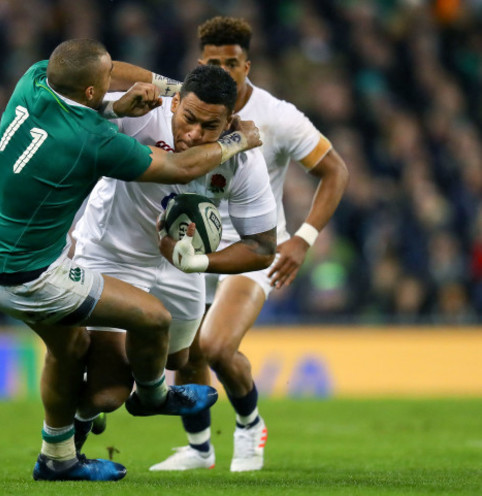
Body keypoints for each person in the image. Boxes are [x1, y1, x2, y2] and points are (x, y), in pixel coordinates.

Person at [0, 38, 263, 482]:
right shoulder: (93, 142)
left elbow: (100, 78)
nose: (118, 83)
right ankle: (155, 396)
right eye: (105, 83)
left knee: (70, 351)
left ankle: (58, 458)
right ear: (89, 93)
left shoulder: (33, 81)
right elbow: (181, 169)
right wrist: (238, 139)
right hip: (31, 276)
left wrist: (142, 99)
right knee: (152, 318)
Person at [145, 16, 350, 473]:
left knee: (216, 346)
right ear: (202, 63)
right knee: (185, 353)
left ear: (247, 63)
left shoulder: (277, 116)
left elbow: (335, 170)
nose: (227, 71)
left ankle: (249, 422)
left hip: (252, 247)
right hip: (187, 241)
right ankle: (199, 449)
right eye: (215, 62)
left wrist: (303, 237)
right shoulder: (187, 102)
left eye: (233, 62)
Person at [65, 63, 278, 448]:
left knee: (177, 361)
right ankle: (68, 444)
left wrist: (199, 263)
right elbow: (83, 89)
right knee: (108, 393)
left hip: (181, 263)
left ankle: (141, 394)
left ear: (230, 120)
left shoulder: (244, 159)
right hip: (113, 254)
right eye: (188, 118)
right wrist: (121, 104)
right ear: (174, 102)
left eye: (209, 127)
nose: (193, 134)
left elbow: (263, 247)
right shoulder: (139, 115)